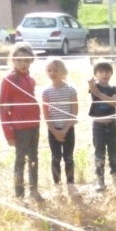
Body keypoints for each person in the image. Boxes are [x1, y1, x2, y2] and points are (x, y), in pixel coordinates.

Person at [0, 43, 41, 198]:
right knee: (20, 159)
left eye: (27, 60)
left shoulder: (30, 79)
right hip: (19, 127)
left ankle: (34, 190)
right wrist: (8, 133)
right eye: (20, 60)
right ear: (13, 60)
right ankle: (19, 193)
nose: (23, 64)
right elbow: (3, 108)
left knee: (34, 157)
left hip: (34, 124)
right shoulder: (9, 80)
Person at [40, 58, 78, 187]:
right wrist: (54, 131)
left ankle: (70, 183)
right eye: (49, 70)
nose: (52, 73)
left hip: (68, 129)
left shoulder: (71, 90)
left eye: (55, 70)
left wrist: (65, 129)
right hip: (53, 130)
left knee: (68, 157)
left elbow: (74, 112)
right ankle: (57, 183)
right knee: (55, 157)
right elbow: (46, 113)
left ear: (63, 72)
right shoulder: (46, 92)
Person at [88, 61, 116, 190]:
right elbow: (92, 88)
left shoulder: (113, 88)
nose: (104, 74)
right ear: (96, 74)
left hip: (112, 125)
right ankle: (100, 180)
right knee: (99, 153)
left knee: (114, 153)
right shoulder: (95, 86)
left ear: (111, 73)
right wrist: (92, 85)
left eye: (107, 71)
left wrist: (99, 95)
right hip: (98, 126)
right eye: (101, 72)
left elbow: (114, 103)